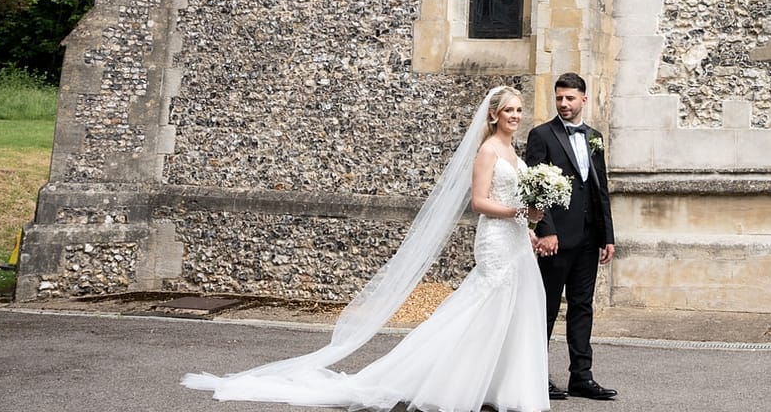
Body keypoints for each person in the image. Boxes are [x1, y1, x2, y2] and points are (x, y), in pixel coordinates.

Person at [183, 85, 551, 412]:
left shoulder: (512, 149)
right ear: (494, 114)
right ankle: (441, 377)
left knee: (514, 308)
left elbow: (511, 199)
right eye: (509, 111)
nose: (515, 116)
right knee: (482, 309)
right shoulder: (488, 150)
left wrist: (528, 227)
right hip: (495, 241)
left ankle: (500, 384)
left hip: (515, 238)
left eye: (519, 110)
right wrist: (520, 211)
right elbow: (479, 203)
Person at [525, 73, 615, 402]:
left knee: (582, 307)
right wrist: (545, 231)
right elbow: (533, 189)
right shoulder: (541, 135)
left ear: (583, 100)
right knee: (545, 308)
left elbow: (600, 189)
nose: (564, 104)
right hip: (556, 239)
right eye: (559, 98)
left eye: (570, 99)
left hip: (590, 240)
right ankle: (535, 375)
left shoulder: (595, 137)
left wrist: (608, 236)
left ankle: (581, 377)